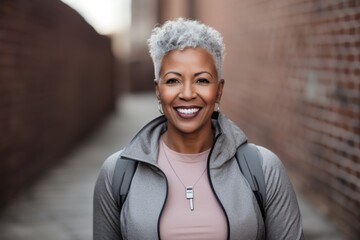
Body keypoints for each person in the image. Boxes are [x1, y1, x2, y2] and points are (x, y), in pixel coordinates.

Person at [93, 18, 304, 240]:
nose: (187, 93)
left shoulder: (263, 169)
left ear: (219, 90)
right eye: (173, 81)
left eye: (202, 81)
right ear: (158, 89)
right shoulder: (118, 173)